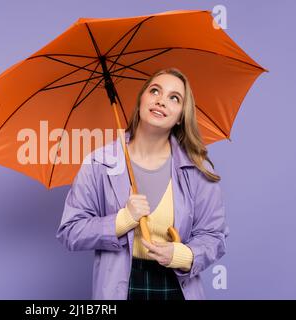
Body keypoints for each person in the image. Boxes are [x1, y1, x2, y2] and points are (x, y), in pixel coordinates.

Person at [56, 67, 229, 300]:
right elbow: (71, 231)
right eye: (155, 91)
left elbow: (213, 236)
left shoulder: (197, 170)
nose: (161, 101)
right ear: (140, 101)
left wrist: (184, 255)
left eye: (174, 98)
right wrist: (123, 220)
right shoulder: (99, 163)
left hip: (175, 288)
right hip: (120, 290)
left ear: (180, 117)